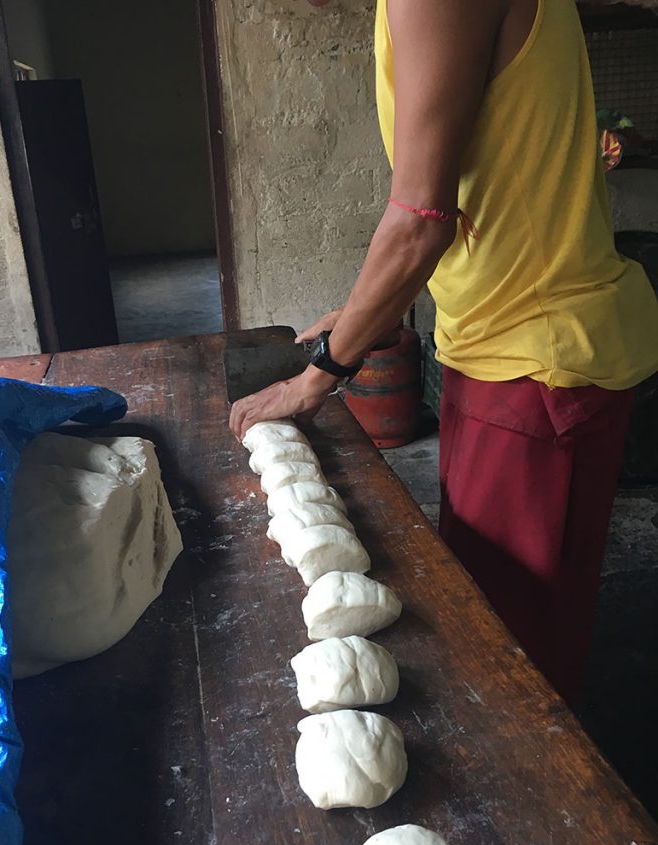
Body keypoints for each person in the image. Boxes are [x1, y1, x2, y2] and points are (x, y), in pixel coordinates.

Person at [228, 0, 658, 705]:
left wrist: (317, 377)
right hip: (521, 342)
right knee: (522, 628)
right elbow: (484, 189)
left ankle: (537, 807)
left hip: (529, 362)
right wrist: (363, 314)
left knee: (509, 662)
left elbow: (420, 223)